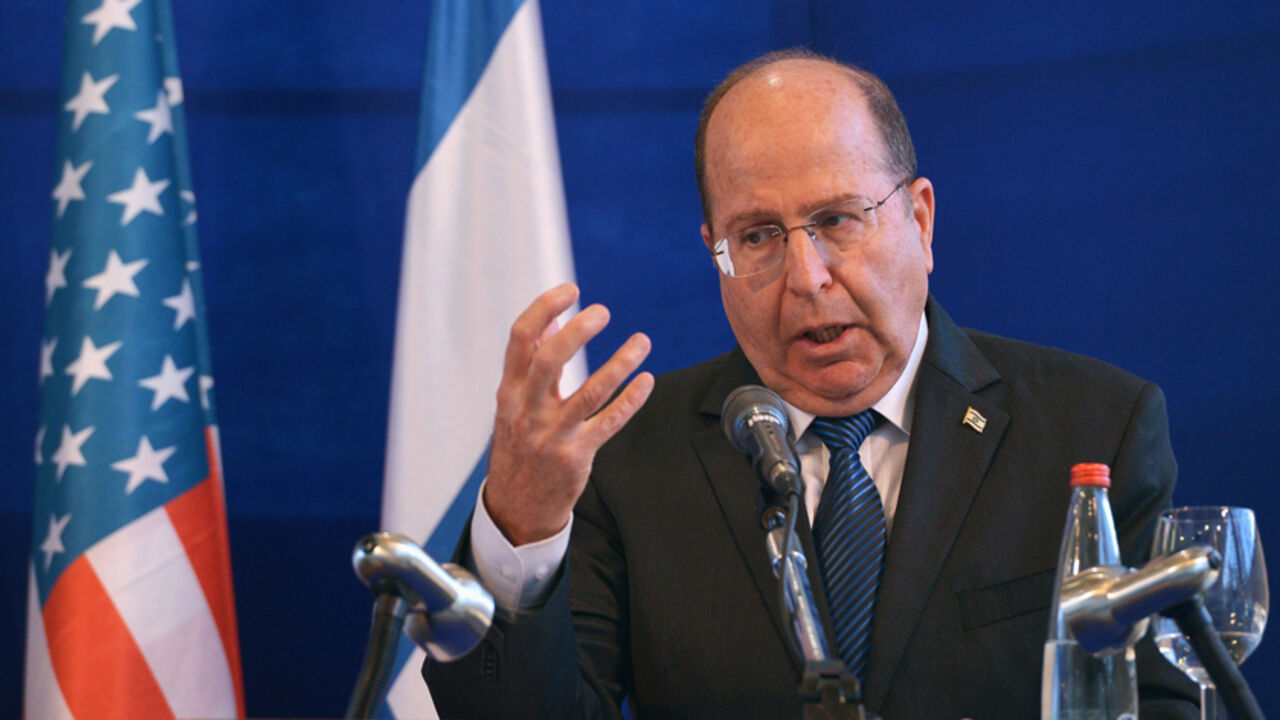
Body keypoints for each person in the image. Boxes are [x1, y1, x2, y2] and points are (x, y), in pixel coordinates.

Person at [424, 49, 1199, 718]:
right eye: (758, 236)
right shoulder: (625, 461)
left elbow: (1169, 704)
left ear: (921, 221)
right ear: (716, 253)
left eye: (837, 219)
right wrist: (520, 527)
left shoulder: (1093, 428)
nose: (807, 277)